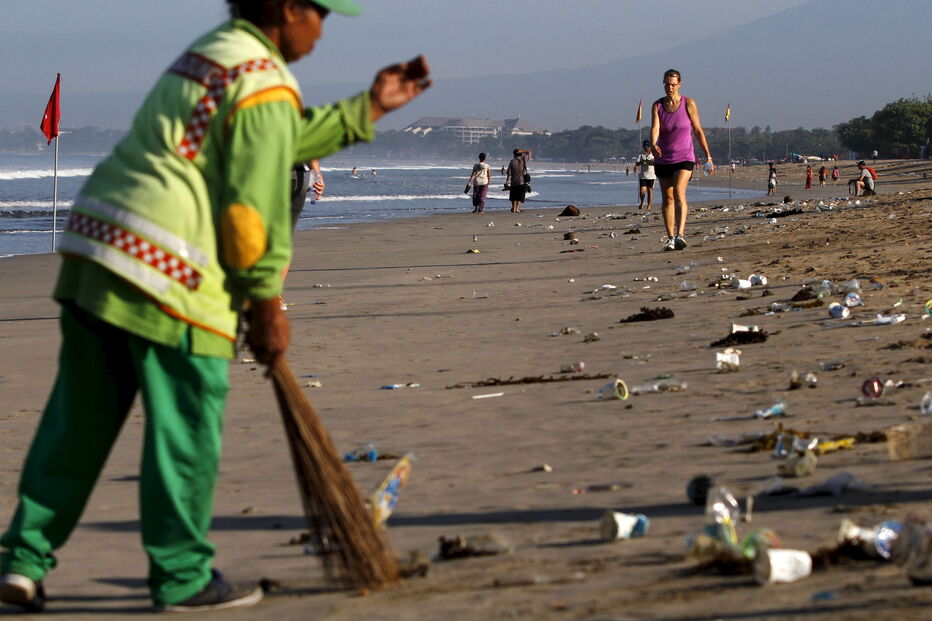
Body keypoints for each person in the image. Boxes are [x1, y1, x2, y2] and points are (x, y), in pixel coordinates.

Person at [0, 0, 430, 613]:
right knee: (186, 430)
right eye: (321, 15)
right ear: (287, 9)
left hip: (98, 247)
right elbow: (252, 205)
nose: (322, 29)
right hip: (172, 270)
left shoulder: (212, 54)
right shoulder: (266, 78)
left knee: (77, 424)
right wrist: (264, 301)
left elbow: (276, 137)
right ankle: (180, 576)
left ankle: (20, 560)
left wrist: (370, 108)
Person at [649, 68, 713, 251]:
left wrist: (708, 155)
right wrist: (653, 144)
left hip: (685, 156)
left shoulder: (688, 103)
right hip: (663, 157)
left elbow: (698, 131)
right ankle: (670, 237)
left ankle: (680, 235)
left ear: (679, 84)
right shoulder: (658, 105)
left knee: (679, 191)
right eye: (666, 84)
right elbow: (655, 128)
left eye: (673, 84)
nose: (669, 87)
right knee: (667, 198)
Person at [505, 148, 531, 213]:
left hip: (513, 181)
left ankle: (514, 208)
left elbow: (509, 173)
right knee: (520, 195)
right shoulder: (524, 159)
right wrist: (522, 151)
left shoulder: (512, 161)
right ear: (520, 154)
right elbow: (529, 151)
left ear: (514, 154)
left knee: (513, 195)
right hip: (522, 181)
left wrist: (507, 181)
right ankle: (517, 208)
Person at [634, 140, 655, 211]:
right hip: (643, 176)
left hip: (652, 176)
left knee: (650, 191)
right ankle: (642, 201)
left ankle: (649, 206)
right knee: (642, 191)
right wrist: (641, 162)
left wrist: (652, 161)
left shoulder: (654, 154)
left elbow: (658, 162)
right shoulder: (641, 155)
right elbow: (637, 163)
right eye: (646, 146)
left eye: (648, 146)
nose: (647, 148)